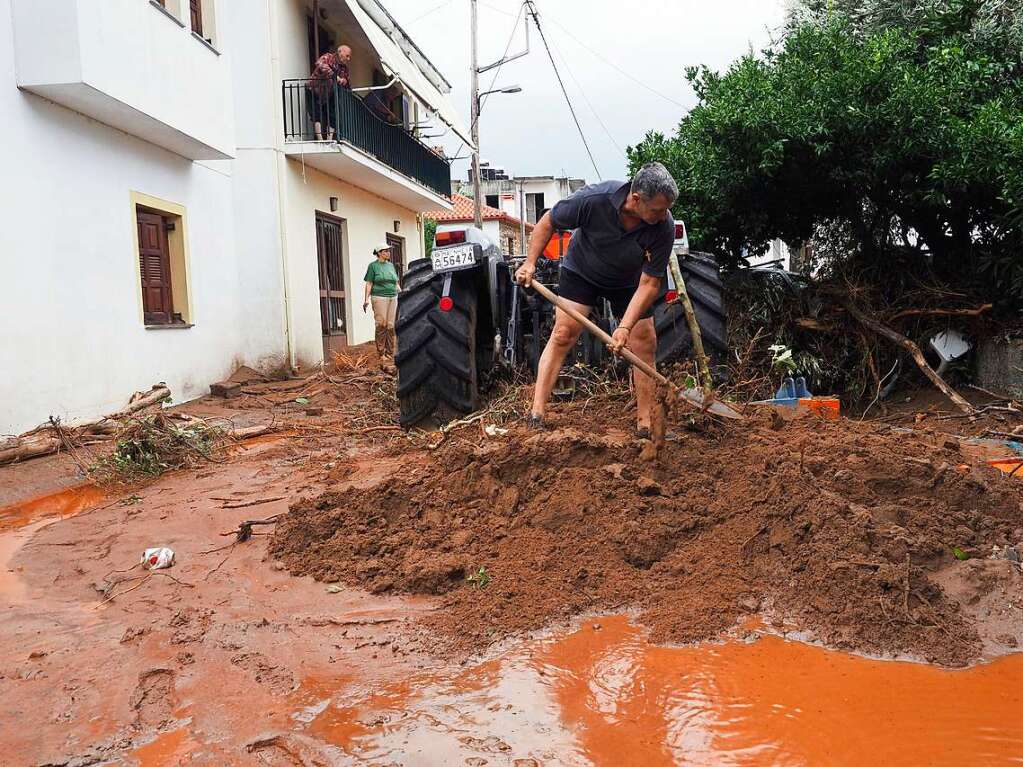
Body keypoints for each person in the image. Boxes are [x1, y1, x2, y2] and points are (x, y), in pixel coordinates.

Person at [514, 162, 678, 436]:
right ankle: (537, 414)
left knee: (644, 341)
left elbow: (649, 283)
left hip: (629, 281)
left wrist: (624, 327)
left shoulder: (664, 226)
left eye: (666, 210)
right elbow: (548, 222)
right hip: (583, 272)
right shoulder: (594, 200)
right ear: (636, 199)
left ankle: (646, 424)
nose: (664, 216)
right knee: (564, 333)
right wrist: (530, 262)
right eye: (658, 210)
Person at [363, 244, 400, 359]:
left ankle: (390, 352)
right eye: (385, 251)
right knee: (381, 323)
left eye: (389, 251)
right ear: (379, 253)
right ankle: (381, 353)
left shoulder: (390, 266)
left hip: (392, 297)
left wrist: (402, 293)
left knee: (391, 325)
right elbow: (369, 283)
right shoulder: (373, 266)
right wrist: (366, 299)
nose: (388, 253)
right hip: (379, 297)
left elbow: (395, 283)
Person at [308, 44, 352, 141]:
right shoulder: (328, 57)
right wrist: (335, 76)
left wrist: (343, 81)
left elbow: (347, 82)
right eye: (347, 56)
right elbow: (320, 64)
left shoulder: (344, 68)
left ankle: (329, 139)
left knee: (333, 115)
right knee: (317, 114)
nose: (348, 59)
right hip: (315, 89)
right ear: (340, 52)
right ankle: (320, 139)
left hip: (329, 93)